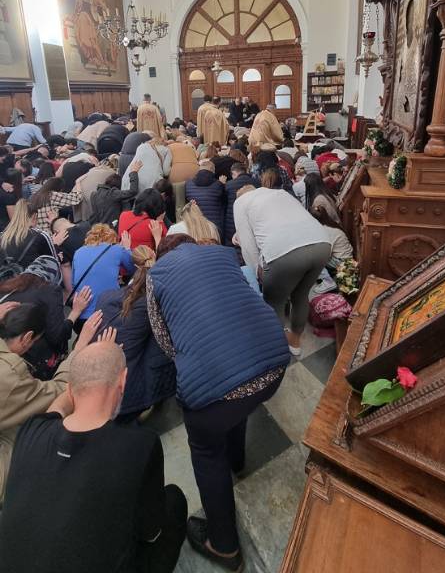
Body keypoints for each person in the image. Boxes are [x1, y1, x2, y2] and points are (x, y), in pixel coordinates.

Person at [147, 237, 289, 569]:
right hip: (274, 364)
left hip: (219, 391)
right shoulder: (222, 254)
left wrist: (192, 358)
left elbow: (163, 337)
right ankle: (237, 460)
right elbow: (248, 298)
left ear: (162, 255)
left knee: (207, 449)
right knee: (236, 396)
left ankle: (224, 545)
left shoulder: (156, 275)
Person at [0, 332, 187, 573]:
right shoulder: (140, 444)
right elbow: (149, 532)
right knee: (174, 500)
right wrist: (105, 365)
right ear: (123, 381)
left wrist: (87, 373)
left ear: (70, 389)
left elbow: (55, 411)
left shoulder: (31, 430)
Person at [0, 305, 103, 501]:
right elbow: (59, 390)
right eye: (34, 341)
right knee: (40, 430)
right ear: (27, 338)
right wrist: (79, 347)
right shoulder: (10, 375)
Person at [234, 185, 331, 356]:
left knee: (274, 304)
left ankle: (278, 350)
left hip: (283, 252)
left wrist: (257, 270)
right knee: (301, 295)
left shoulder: (241, 202)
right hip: (322, 242)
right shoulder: (279, 193)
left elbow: (248, 245)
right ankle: (295, 342)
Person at [96, 245, 176, 416]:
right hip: (129, 395)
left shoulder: (105, 297)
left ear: (134, 266)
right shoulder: (153, 303)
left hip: (101, 387)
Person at [0, 257, 91, 379]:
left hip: (7, 354)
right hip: (35, 363)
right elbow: (57, 336)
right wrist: (76, 311)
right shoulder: (50, 290)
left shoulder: (7, 287)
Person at [72, 224, 135, 322]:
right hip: (108, 312)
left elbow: (73, 282)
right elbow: (133, 268)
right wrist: (127, 248)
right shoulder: (117, 249)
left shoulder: (78, 252)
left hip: (81, 314)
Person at [0, 199, 58, 269]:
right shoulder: (40, 235)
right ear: (34, 216)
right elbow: (54, 263)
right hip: (31, 275)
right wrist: (55, 245)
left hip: (7, 276)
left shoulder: (2, 236)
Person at [185, 161, 225, 240]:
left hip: (195, 227)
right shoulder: (218, 185)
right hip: (214, 227)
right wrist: (223, 184)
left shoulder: (188, 184)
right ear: (213, 171)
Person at [224, 162, 254, 245]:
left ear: (234, 173)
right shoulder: (257, 182)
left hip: (232, 223)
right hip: (252, 222)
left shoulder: (229, 185)